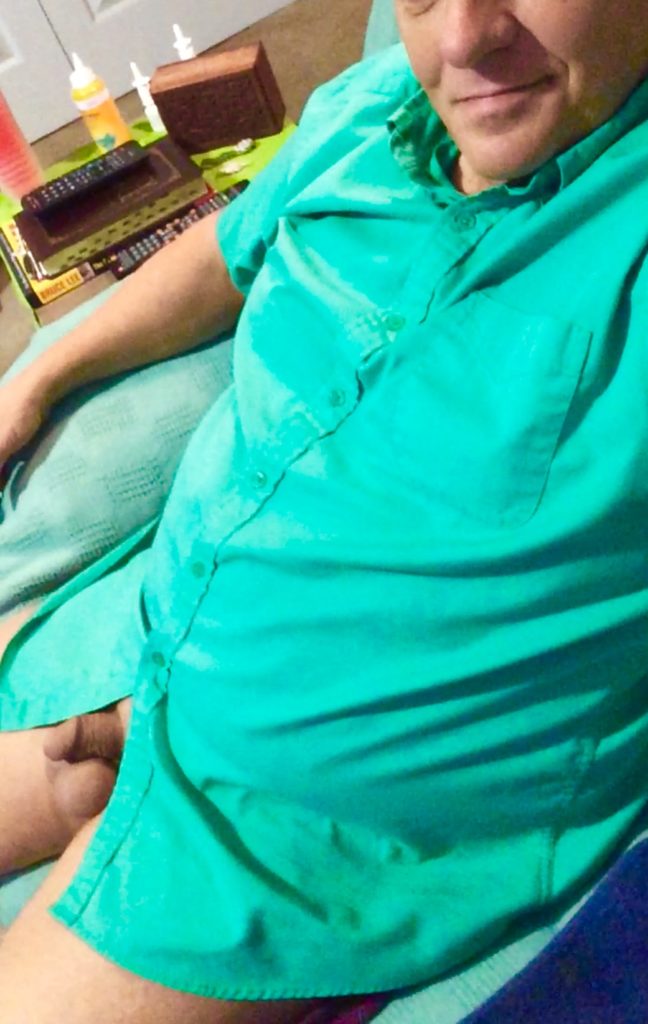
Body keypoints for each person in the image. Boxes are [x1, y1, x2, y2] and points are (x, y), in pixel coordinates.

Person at [1, 0, 648, 1019]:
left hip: (284, 836)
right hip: (131, 641)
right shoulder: (369, 110)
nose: (463, 38)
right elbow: (228, 251)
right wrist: (37, 380)